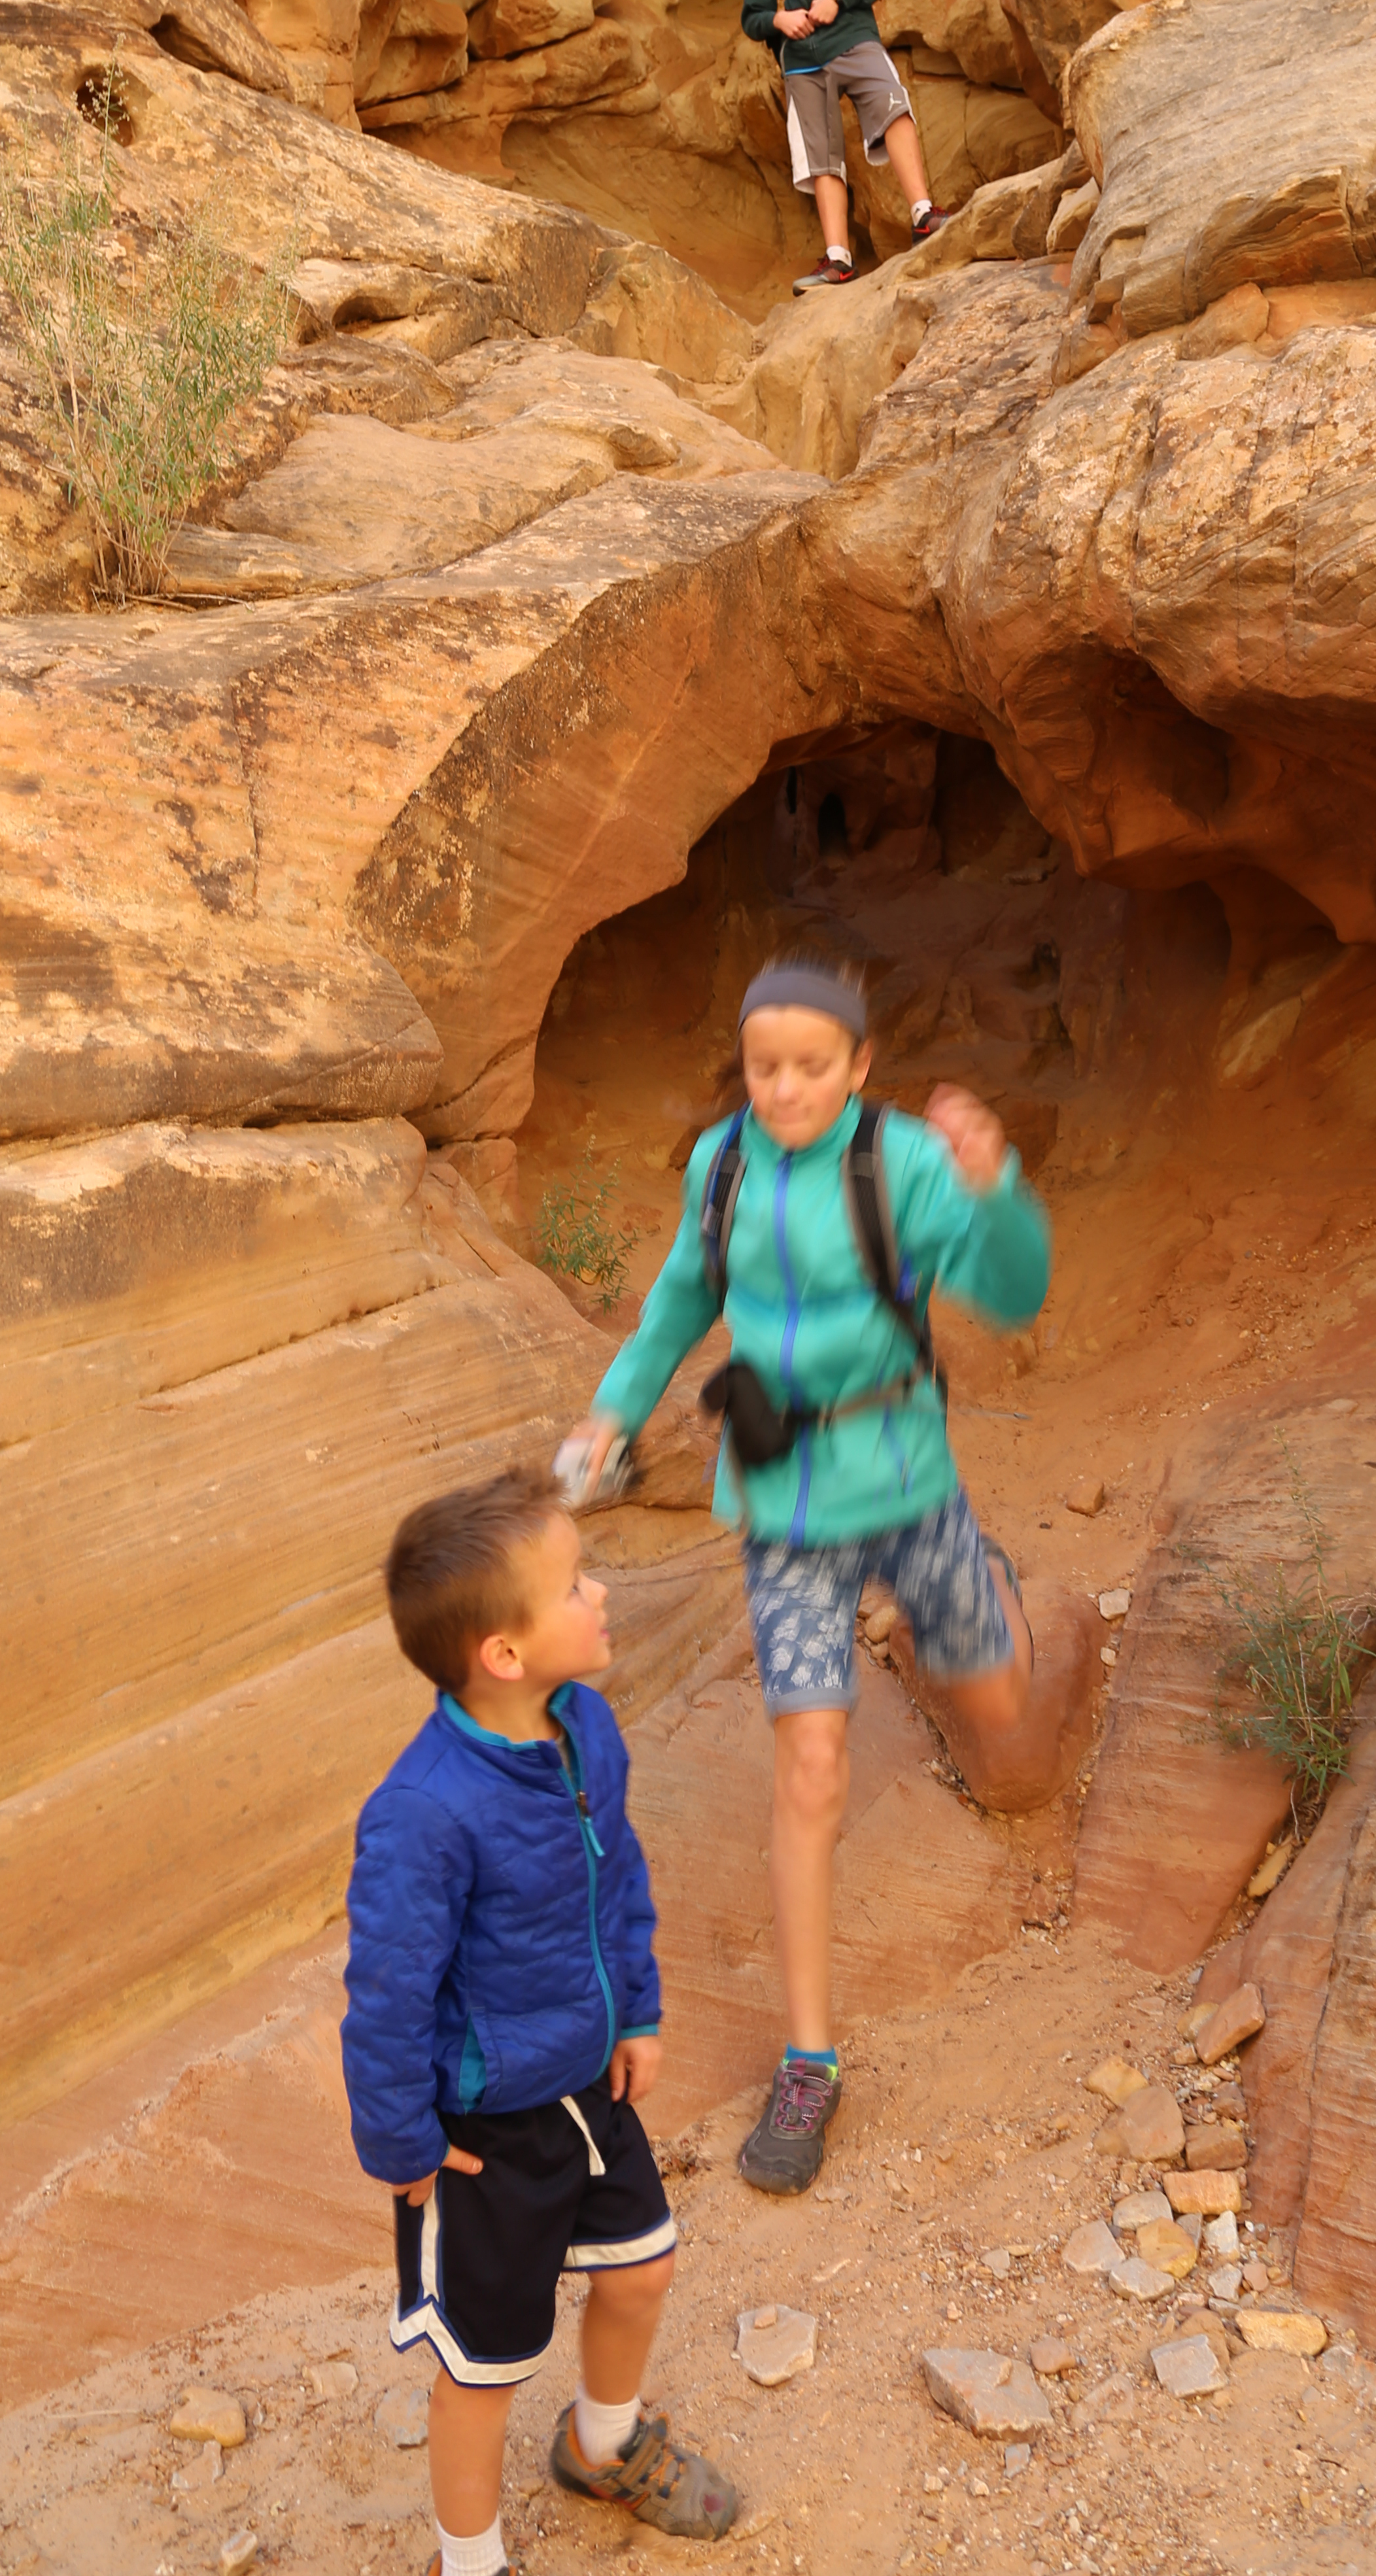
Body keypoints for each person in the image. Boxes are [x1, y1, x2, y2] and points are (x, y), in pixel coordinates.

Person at [558, 957, 1048, 2197]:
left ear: (858, 1065)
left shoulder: (902, 1164)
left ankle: (978, 1611)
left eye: (810, 1067)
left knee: (999, 1719)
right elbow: (678, 1300)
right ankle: (809, 2058)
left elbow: (1007, 1293)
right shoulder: (720, 1166)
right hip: (784, 1503)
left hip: (908, 1477)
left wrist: (994, 1194)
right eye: (764, 1065)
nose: (782, 1089)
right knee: (810, 1758)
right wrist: (614, 1414)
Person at [343, 1468, 740, 2576]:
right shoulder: (423, 1814)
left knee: (642, 2267)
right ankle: (470, 2561)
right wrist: (403, 2145)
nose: (601, 1593)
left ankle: (600, 2445)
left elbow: (615, 1880)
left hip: (582, 2081)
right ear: (502, 1655)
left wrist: (639, 2008)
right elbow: (385, 1994)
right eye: (573, 1585)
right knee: (485, 2362)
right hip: (482, 2130)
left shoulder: (584, 1729)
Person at [738, 0, 950, 292]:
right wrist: (780, 17)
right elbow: (752, 17)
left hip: (853, 38)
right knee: (821, 155)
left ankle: (923, 214)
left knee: (893, 107)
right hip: (802, 64)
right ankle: (838, 259)